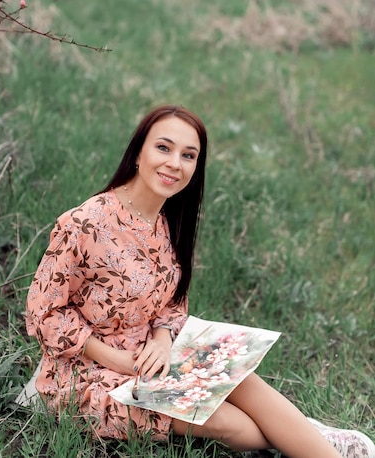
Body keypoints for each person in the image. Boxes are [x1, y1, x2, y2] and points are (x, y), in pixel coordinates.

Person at [25, 105, 374, 458]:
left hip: (153, 357)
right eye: (163, 148)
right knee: (229, 423)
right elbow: (45, 313)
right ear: (138, 153)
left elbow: (172, 304)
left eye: (188, 155)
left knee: (243, 380)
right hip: (88, 374)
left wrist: (162, 340)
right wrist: (116, 359)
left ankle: (309, 441)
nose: (175, 163)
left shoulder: (168, 222)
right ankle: (311, 435)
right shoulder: (84, 223)